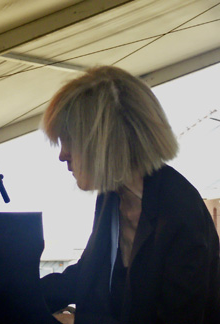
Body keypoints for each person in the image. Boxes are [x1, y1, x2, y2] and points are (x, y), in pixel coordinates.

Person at [40, 66, 220, 324]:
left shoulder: (180, 212)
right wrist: (11, 295)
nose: (62, 155)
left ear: (104, 141)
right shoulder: (112, 197)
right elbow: (87, 275)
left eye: (68, 140)